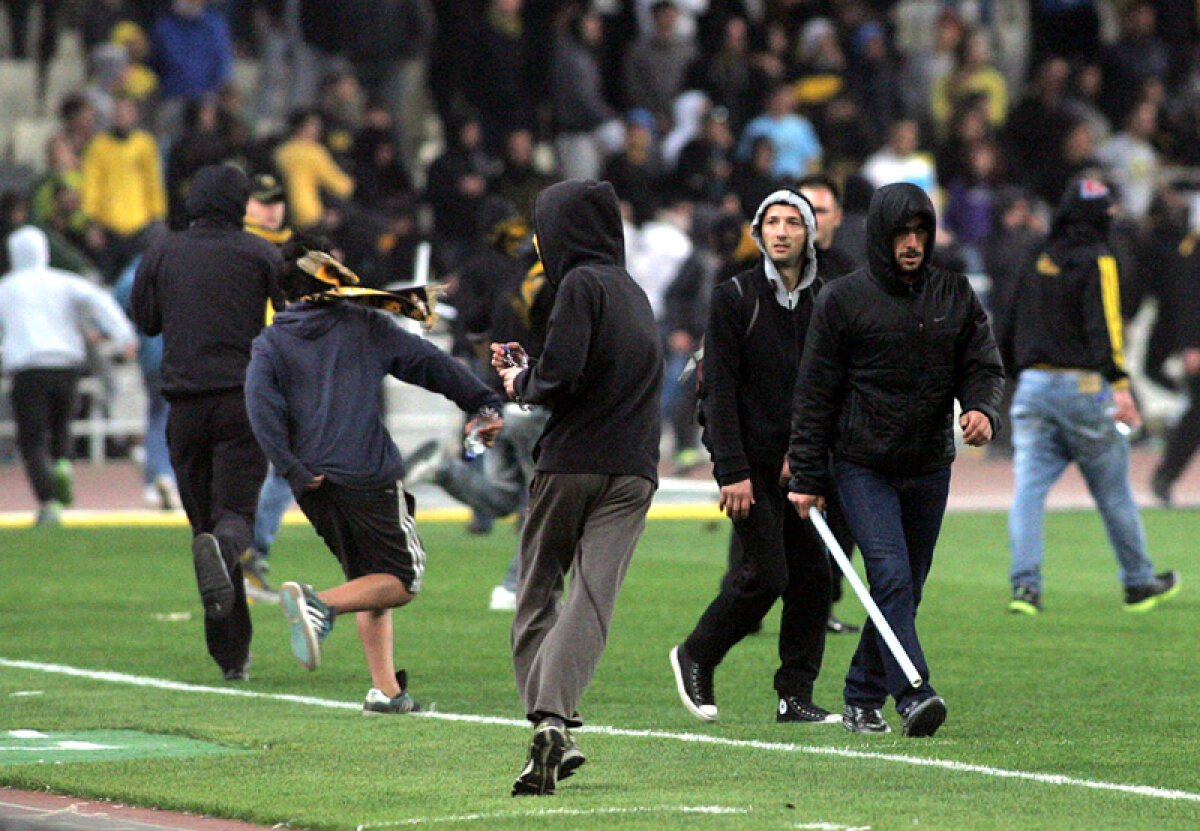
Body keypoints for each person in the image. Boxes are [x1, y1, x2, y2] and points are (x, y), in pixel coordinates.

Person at [245, 235, 505, 714]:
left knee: (368, 578)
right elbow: (429, 364)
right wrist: (483, 400)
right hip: (366, 473)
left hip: (313, 484)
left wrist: (293, 470)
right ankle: (318, 604)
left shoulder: (271, 340)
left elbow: (261, 412)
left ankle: (385, 691)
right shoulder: (360, 324)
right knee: (402, 579)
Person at [787, 182, 1004, 737]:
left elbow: (982, 363)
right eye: (901, 233)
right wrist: (808, 475)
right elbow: (815, 394)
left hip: (930, 463)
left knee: (905, 587)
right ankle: (913, 692)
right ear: (881, 235)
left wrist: (981, 408)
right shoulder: (843, 300)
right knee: (889, 575)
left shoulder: (954, 293)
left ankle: (861, 697)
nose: (911, 243)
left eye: (920, 232)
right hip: (861, 464)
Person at [490, 179, 662, 796]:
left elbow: (559, 377)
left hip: (572, 462)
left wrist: (518, 380)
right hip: (635, 468)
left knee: (537, 591)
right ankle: (559, 723)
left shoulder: (578, 285)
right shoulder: (635, 293)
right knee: (592, 598)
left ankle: (547, 721)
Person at [668, 188, 839, 727]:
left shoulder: (827, 301)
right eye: (772, 222)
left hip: (801, 465)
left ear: (810, 232)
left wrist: (808, 456)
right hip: (748, 466)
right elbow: (716, 391)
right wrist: (732, 471)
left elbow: (828, 388)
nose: (782, 231)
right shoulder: (734, 297)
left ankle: (795, 695)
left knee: (813, 577)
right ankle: (697, 653)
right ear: (758, 233)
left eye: (793, 222)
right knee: (767, 573)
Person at [997, 178, 1181, 615]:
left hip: (1034, 386)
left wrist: (1004, 373)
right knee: (1114, 492)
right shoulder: (1099, 259)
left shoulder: (1037, 254)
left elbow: (1010, 313)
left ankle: (1025, 587)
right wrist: (1121, 387)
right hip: (1084, 387)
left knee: (1028, 491)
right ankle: (1138, 583)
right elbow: (1107, 327)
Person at [130, 163, 284, 682]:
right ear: (240, 204)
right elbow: (287, 319)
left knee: (206, 529)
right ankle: (231, 639)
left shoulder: (161, 252)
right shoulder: (260, 253)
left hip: (183, 407)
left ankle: (230, 656)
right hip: (241, 399)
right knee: (235, 516)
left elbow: (145, 320)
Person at [0, 226, 137, 526]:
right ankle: (63, 462)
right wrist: (124, 335)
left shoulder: (6, 288)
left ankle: (48, 501)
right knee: (61, 425)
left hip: (28, 368)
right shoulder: (65, 282)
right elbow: (100, 301)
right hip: (67, 365)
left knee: (32, 438)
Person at [795, 173, 864, 636]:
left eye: (821, 210)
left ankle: (823, 604)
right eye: (805, 210)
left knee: (843, 514)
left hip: (838, 411)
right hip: (783, 405)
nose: (812, 220)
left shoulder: (850, 272)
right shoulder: (774, 270)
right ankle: (751, 592)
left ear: (837, 216)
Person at [240, 173, 294, 603]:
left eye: (276, 200)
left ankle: (246, 553)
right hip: (254, 365)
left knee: (282, 464)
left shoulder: (288, 248)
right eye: (263, 201)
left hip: (278, 366)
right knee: (278, 463)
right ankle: (246, 552)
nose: (272, 207)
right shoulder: (248, 249)